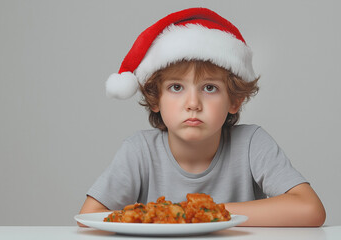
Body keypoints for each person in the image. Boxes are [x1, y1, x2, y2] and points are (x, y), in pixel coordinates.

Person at [79, 8, 325, 227]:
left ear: (234, 100)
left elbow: (310, 209)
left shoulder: (252, 143)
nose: (193, 104)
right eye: (176, 87)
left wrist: (200, 213)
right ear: (155, 99)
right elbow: (89, 218)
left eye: (209, 88)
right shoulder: (139, 151)